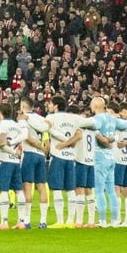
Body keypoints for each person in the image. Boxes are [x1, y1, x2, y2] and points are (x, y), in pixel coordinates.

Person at [78, 97, 127, 227]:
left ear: (95, 106)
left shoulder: (97, 119)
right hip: (111, 158)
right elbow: (126, 125)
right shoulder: (113, 119)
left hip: (100, 157)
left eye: (91, 105)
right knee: (111, 190)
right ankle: (115, 220)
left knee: (100, 190)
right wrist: (112, 137)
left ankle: (102, 220)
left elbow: (90, 125)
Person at [44, 95, 82, 228]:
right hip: (71, 157)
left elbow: (45, 128)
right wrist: (68, 143)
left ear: (55, 106)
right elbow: (78, 135)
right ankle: (71, 221)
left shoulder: (51, 117)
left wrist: (62, 143)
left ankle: (60, 221)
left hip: (58, 156)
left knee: (57, 189)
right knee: (71, 190)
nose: (49, 106)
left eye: (50, 104)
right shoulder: (72, 118)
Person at [0, 102, 25, 230]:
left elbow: (2, 143)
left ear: (0, 112)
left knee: (3, 190)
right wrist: (16, 153)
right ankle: (21, 221)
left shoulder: (0, 125)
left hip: (4, 161)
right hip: (16, 162)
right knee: (18, 190)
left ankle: (4, 221)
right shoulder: (17, 126)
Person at [18, 99, 50, 228]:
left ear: (24, 106)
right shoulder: (42, 119)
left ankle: (27, 221)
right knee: (41, 187)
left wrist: (39, 147)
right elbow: (47, 142)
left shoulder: (23, 118)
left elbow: (27, 138)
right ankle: (43, 221)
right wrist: (43, 149)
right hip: (41, 156)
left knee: (27, 187)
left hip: (30, 154)